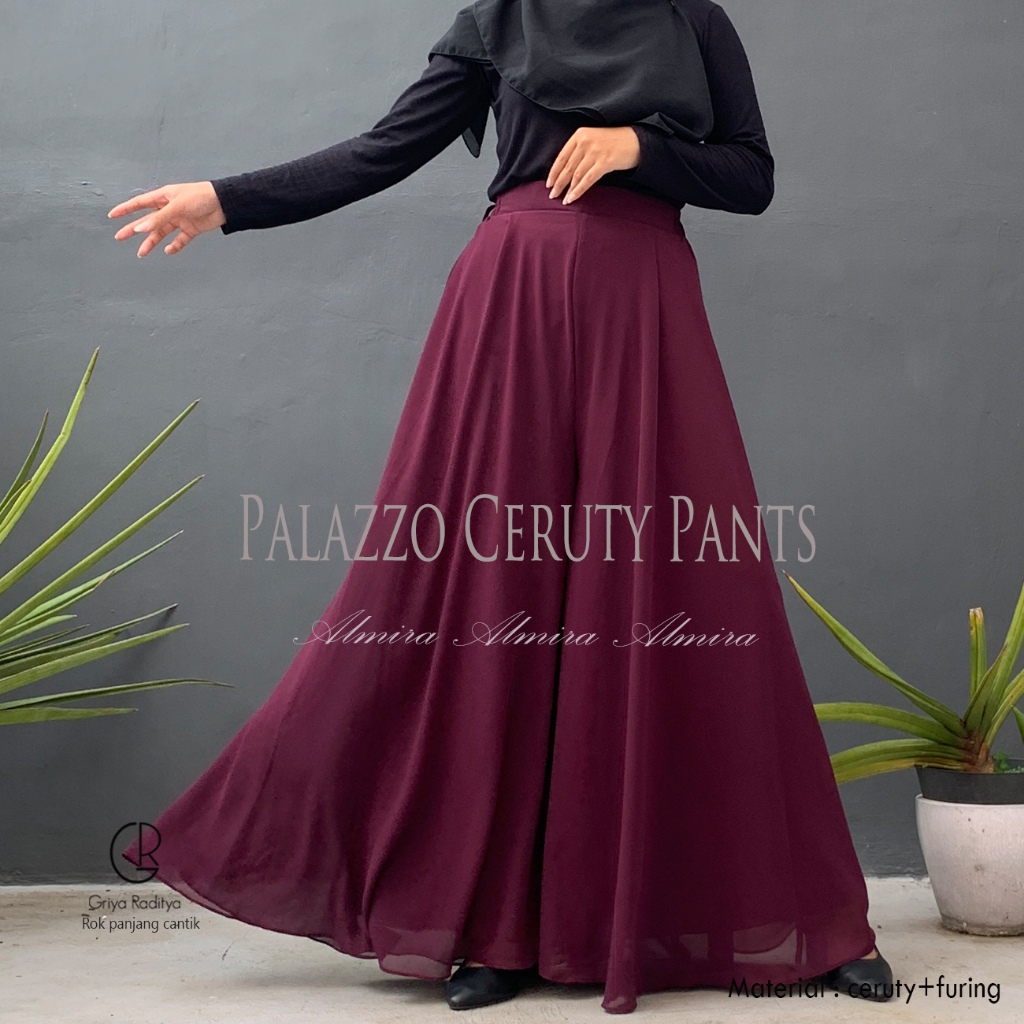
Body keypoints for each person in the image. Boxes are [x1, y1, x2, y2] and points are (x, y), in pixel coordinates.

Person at [110, 0, 894, 1013]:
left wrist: (641, 148)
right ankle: (499, 926)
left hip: (643, 311)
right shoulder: (498, 20)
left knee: (697, 591)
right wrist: (226, 198)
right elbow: (386, 148)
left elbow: (752, 176)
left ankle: (811, 918)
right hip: (511, 311)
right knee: (492, 597)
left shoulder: (692, 19)